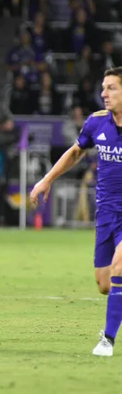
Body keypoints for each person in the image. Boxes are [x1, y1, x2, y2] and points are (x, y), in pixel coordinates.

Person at [30, 67, 122, 357]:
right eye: (104, 87)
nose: (104, 93)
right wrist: (46, 180)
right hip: (106, 213)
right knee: (104, 284)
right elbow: (75, 152)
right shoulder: (96, 123)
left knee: (120, 269)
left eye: (111, 88)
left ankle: (107, 340)